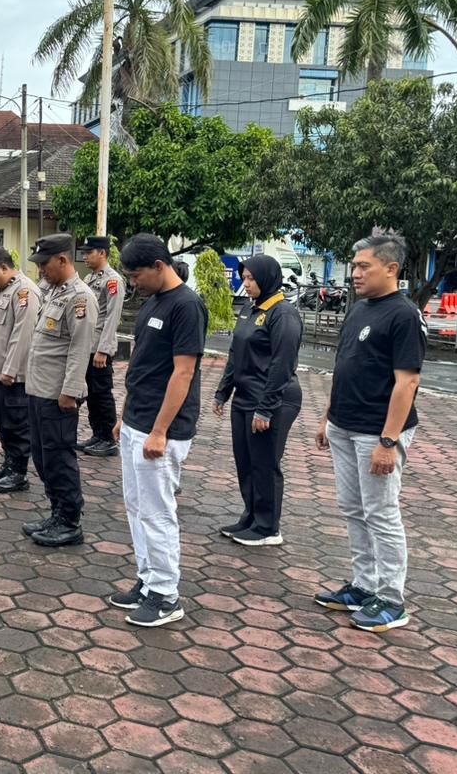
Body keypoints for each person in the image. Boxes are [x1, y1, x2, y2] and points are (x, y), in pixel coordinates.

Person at [314, 234, 425, 632]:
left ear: (391, 269)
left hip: (377, 433)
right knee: (352, 507)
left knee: (381, 512)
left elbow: (407, 382)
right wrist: (328, 417)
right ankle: (364, 585)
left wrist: (388, 441)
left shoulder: (404, 315)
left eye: (364, 266)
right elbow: (345, 366)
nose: (355, 273)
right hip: (344, 425)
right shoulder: (359, 309)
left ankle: (392, 599)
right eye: (355, 266)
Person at [109, 234, 207, 628]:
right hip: (137, 420)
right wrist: (124, 415)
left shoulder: (186, 306)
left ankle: (166, 595)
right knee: (136, 508)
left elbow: (183, 373)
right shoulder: (153, 302)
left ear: (159, 266)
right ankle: (148, 580)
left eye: (136, 275)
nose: (133, 282)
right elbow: (141, 367)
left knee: (158, 513)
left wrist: (160, 430)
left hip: (162, 429)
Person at [213, 255, 304, 547]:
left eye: (252, 278)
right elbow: (235, 352)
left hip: (274, 399)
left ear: (267, 278)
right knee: (246, 460)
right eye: (245, 278)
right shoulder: (251, 309)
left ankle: (267, 527)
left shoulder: (283, 314)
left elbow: (282, 364)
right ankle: (251, 516)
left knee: (264, 462)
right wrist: (223, 391)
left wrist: (266, 409)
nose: (247, 283)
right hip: (245, 396)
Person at [23, 233, 97, 547]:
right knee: (42, 456)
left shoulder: (80, 298)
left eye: (44, 264)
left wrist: (70, 391)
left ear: (62, 259)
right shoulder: (54, 292)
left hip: (58, 395)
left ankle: (69, 521)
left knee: (59, 457)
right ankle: (56, 512)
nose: (41, 269)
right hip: (39, 389)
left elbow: (80, 350)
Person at [0, 247, 39, 490]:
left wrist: (11, 368)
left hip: (12, 376)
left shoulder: (24, 291)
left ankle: (18, 473)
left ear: (4, 268)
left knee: (16, 423)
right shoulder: (5, 290)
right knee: (1, 421)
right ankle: (9, 463)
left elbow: (23, 334)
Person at [78, 236, 125, 457]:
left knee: (102, 394)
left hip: (99, 348)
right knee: (91, 394)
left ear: (102, 253)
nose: (85, 257)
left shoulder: (113, 281)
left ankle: (108, 438)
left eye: (89, 253)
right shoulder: (90, 278)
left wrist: (103, 350)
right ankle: (97, 434)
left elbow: (112, 318)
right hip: (87, 345)